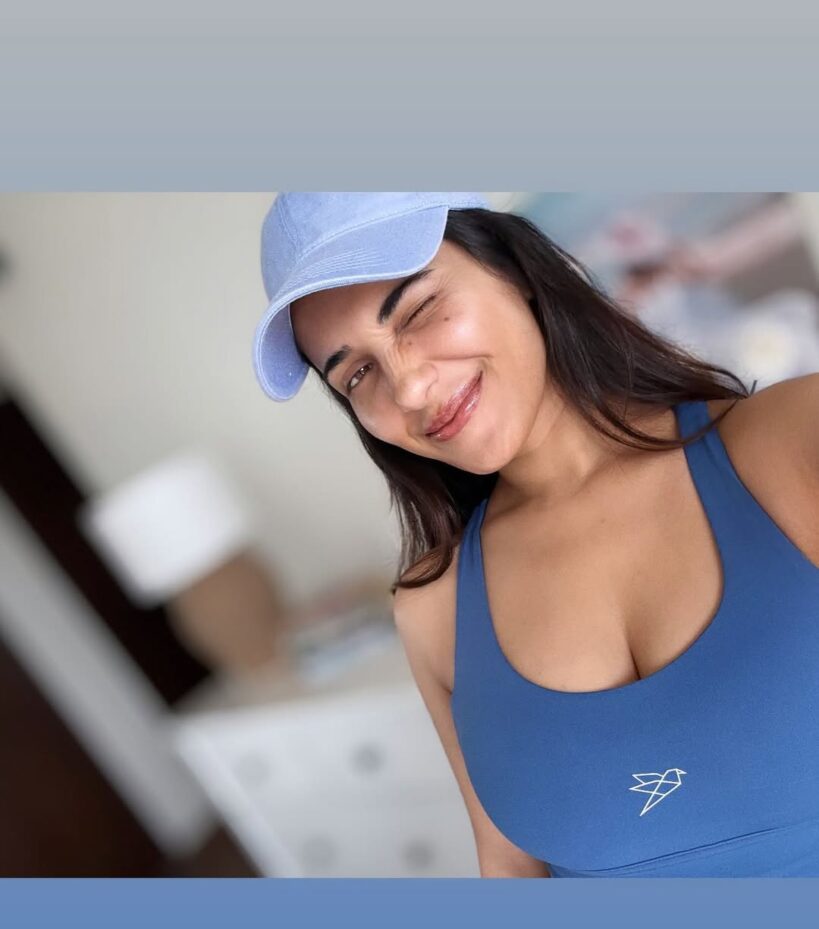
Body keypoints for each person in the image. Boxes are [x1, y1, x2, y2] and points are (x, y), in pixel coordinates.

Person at [252, 192, 819, 878]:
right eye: (358, 373)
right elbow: (511, 871)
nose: (408, 389)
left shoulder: (795, 441)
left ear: (512, 268)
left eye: (418, 310)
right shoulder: (434, 608)